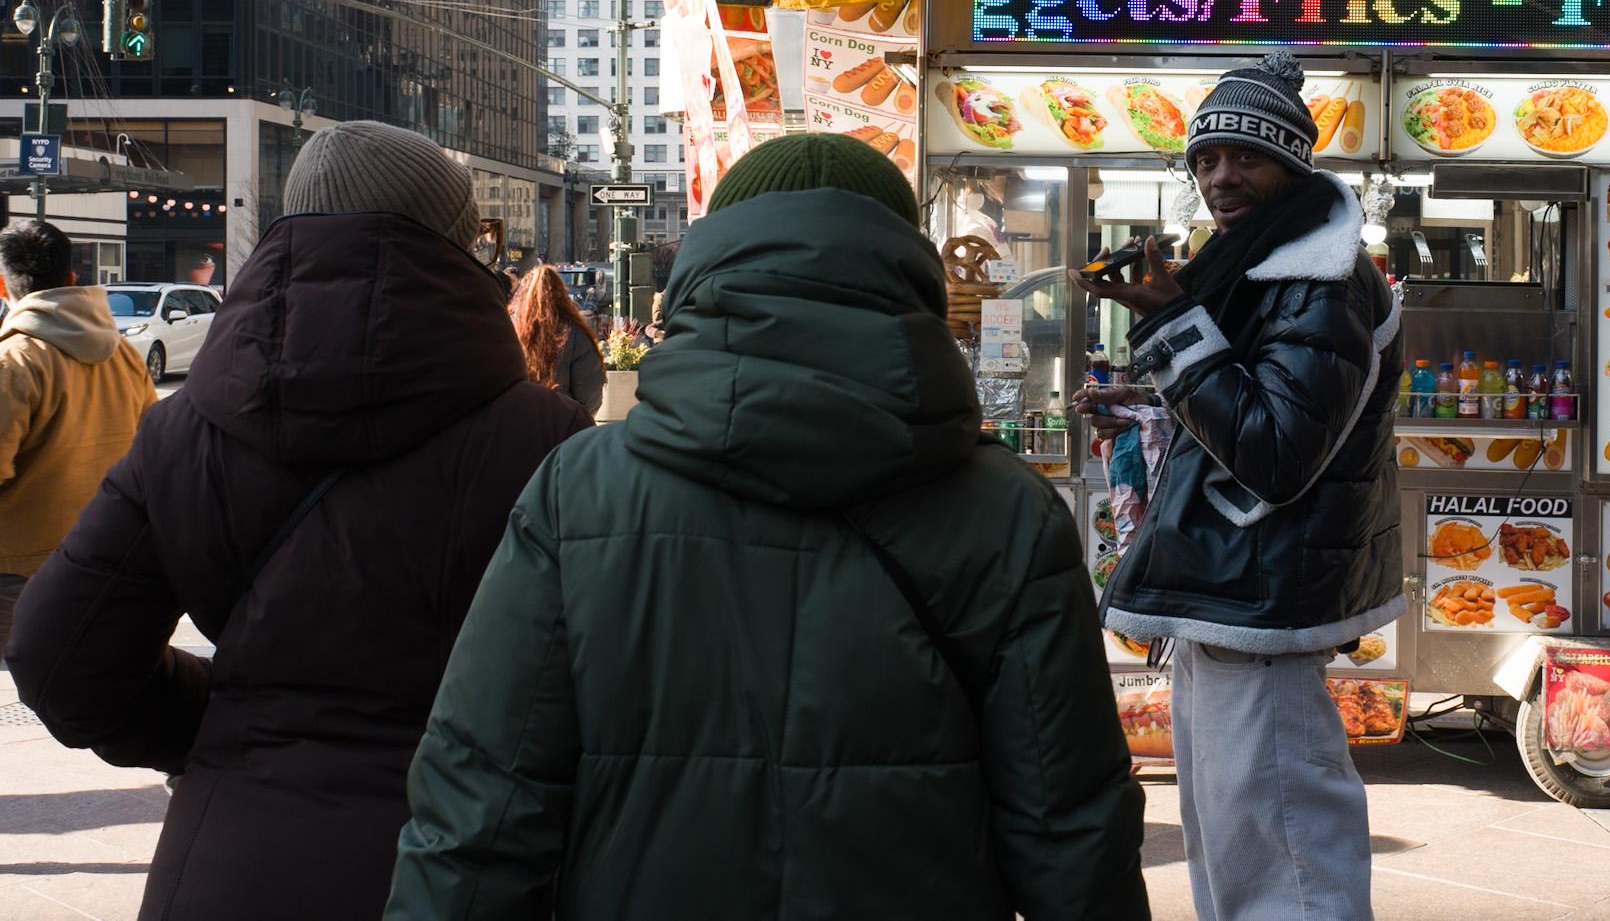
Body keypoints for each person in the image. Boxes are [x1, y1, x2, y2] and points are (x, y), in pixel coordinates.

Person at [385, 133, 1148, 921]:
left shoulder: (580, 496)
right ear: (907, 268)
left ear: (708, 265)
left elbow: (478, 816)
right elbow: (1073, 837)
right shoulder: (1007, 514)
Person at [7, 121, 592, 921]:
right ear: (457, 246)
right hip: (462, 868)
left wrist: (223, 722)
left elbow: (56, 655)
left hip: (226, 865)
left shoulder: (185, 430)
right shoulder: (547, 439)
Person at [1070, 51, 1404, 921]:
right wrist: (1145, 410)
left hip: (1263, 599)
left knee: (1284, 861)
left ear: (1293, 164)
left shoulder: (1320, 279)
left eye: (1246, 157)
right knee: (1235, 846)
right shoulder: (1257, 264)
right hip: (1232, 594)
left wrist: (1176, 328)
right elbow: (1243, 406)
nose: (1222, 177)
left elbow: (1276, 450)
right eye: (1207, 159)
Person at [0, 220, 155, 665]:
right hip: (101, 554)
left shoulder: (15, 360)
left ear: (4, 284)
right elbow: (149, 451)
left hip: (17, 566)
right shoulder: (125, 354)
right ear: (71, 279)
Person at [509, 265, 604, 415]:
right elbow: (589, 393)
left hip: (517, 421)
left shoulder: (509, 329)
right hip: (563, 424)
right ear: (562, 295)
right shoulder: (575, 333)